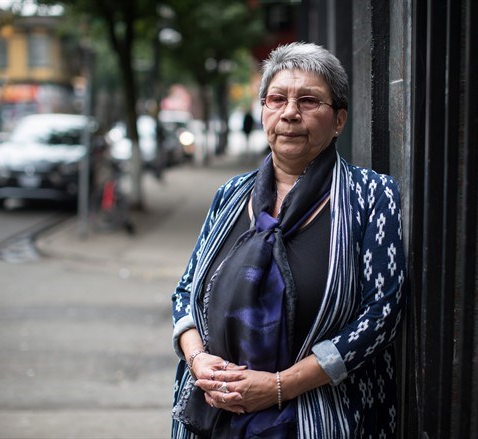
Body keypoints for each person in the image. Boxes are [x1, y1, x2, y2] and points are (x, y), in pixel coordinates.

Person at [171, 42, 407, 438]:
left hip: (320, 417)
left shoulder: (371, 196)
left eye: (309, 100)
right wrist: (197, 360)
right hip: (215, 414)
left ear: (339, 120)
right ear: (263, 110)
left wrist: (279, 387)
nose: (290, 112)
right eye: (276, 99)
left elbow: (380, 316)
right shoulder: (231, 195)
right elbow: (184, 293)